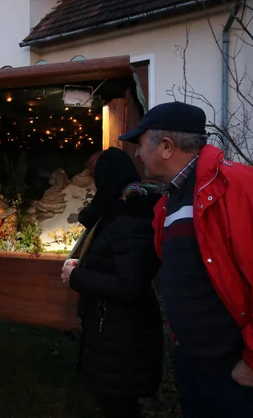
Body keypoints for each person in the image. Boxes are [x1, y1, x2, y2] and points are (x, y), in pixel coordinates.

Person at [119, 101, 253, 418]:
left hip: (239, 374)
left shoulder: (241, 186)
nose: (136, 153)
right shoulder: (170, 202)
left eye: (140, 143)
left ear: (165, 146)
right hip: (195, 365)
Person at [61, 148, 164, 418]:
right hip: (113, 327)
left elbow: (129, 285)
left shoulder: (131, 219)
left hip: (124, 332)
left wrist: (77, 277)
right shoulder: (118, 211)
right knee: (113, 400)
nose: (93, 186)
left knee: (119, 403)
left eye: (97, 179)